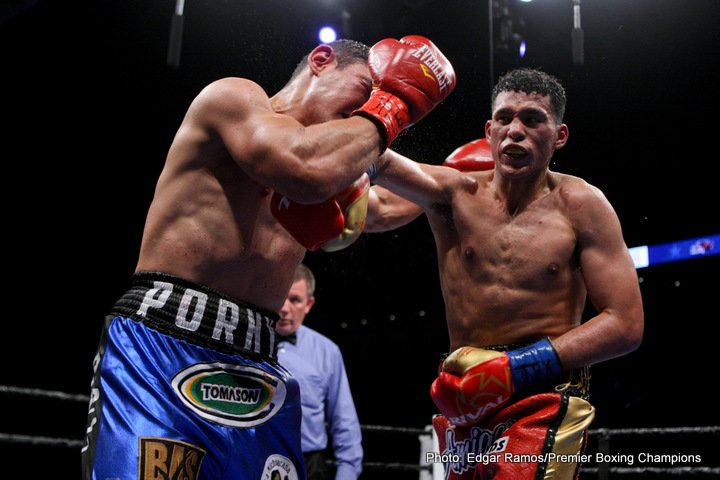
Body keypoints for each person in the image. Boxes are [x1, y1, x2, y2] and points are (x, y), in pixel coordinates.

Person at [81, 36, 456, 479]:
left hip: (256, 365)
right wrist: (391, 107)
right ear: (321, 61)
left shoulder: (343, 159)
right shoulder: (234, 98)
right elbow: (301, 167)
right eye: (362, 94)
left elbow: (394, 204)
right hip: (161, 347)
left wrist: (470, 174)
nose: (363, 116)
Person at [365, 68, 644, 479]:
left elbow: (626, 323)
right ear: (489, 130)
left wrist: (519, 367)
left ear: (559, 136)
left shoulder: (582, 205)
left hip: (545, 393)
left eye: (532, 120)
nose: (515, 131)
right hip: (464, 395)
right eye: (505, 119)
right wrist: (373, 104)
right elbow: (371, 165)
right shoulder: (453, 194)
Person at [276, 264, 363, 480]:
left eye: (295, 300)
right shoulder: (248, 342)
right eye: (280, 296)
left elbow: (344, 422)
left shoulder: (327, 351)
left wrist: (347, 474)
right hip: (253, 457)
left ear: (308, 304)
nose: (285, 308)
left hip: (310, 465)